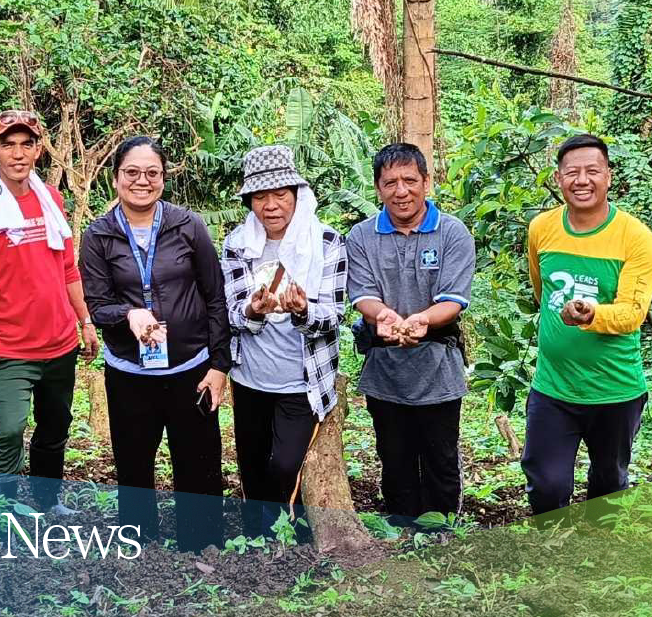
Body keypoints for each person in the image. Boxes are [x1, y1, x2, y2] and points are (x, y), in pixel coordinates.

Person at [80, 136, 231, 551]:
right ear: (116, 179)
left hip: (190, 368)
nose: (142, 181)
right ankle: (140, 545)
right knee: (133, 464)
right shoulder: (99, 236)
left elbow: (215, 297)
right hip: (130, 372)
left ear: (163, 179)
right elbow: (97, 305)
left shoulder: (188, 226)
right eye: (132, 172)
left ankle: (200, 544)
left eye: (152, 173)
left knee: (198, 463)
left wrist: (219, 366)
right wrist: (129, 314)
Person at [0, 109, 99, 514]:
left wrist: (84, 320)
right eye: (7, 144)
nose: (17, 153)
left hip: (59, 341)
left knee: (54, 429)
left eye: (26, 144)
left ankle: (46, 503)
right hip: (9, 345)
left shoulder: (50, 198)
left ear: (38, 150)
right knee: (10, 429)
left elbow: (67, 266)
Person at [522, 134, 652, 518]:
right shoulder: (542, 229)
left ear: (609, 177)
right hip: (553, 386)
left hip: (614, 390)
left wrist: (592, 314)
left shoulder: (635, 238)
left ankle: (598, 557)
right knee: (546, 486)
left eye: (592, 171)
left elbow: (633, 312)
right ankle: (552, 553)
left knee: (608, 484)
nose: (582, 180)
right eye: (572, 173)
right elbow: (540, 288)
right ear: (558, 178)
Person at [221, 145, 346, 539]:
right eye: (260, 197)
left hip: (303, 379)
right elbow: (232, 311)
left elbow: (334, 315)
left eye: (280, 195)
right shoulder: (238, 244)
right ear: (250, 201)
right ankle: (257, 539)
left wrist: (302, 310)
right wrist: (254, 311)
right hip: (251, 376)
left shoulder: (326, 243)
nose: (271, 206)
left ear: (296, 194)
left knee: (283, 465)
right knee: (253, 466)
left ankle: (290, 533)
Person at [346, 143, 475, 524]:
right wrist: (383, 314)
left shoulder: (452, 233)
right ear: (377, 187)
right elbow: (363, 294)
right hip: (385, 370)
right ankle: (401, 527)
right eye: (390, 183)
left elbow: (453, 300)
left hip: (438, 367)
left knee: (440, 455)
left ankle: (441, 528)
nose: (401, 191)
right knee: (394, 455)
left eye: (409, 180)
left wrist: (420, 320)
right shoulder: (362, 237)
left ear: (425, 182)